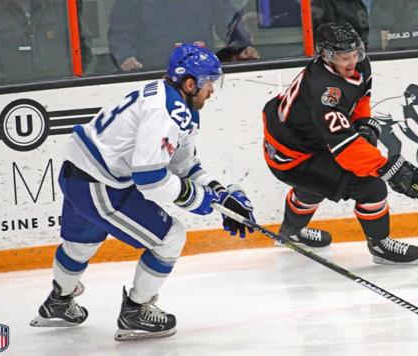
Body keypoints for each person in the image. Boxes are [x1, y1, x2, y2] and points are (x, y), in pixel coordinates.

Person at [29, 43, 255, 341]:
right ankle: (135, 311)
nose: (213, 90)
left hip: (79, 174)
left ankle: (57, 303)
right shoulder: (166, 111)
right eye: (210, 82)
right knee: (170, 238)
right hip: (99, 184)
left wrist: (220, 195)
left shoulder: (173, 101)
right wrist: (201, 201)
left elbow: (183, 164)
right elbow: (150, 178)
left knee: (80, 244)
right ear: (190, 83)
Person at [261, 22, 418, 264]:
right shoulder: (324, 89)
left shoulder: (359, 65)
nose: (351, 62)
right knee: (371, 186)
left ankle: (290, 232)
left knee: (319, 183)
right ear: (326, 56)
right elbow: (345, 147)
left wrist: (364, 124)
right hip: (291, 156)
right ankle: (380, 245)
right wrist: (386, 167)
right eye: (342, 57)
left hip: (308, 140)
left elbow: (360, 98)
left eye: (354, 53)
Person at [108, 0, 259, 72]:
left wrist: (241, 46)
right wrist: (125, 56)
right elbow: (120, 31)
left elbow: (227, 19)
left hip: (201, 72)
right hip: (153, 73)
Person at [0, 0, 91, 87]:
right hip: (3, 100)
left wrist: (66, 80)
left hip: (62, 94)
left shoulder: (60, 5)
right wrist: (7, 83)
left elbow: (84, 50)